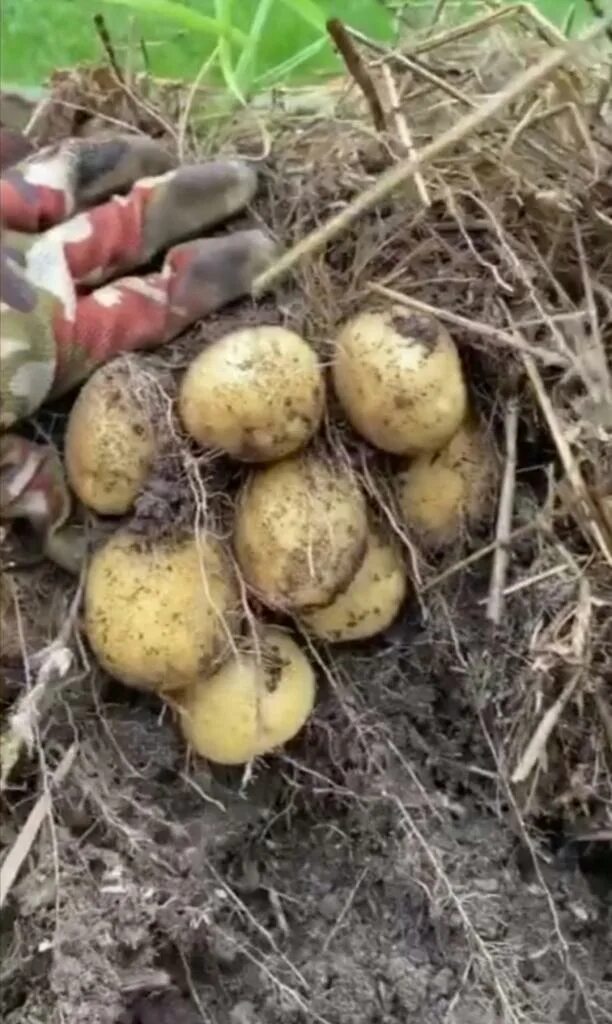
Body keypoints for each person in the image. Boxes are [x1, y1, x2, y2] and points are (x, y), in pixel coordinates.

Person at [0, 129, 277, 571]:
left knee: (148, 308)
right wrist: (42, 181)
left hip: (27, 357)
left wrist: (61, 532)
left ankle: (212, 271)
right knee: (113, 225)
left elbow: (19, 480)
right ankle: (209, 194)